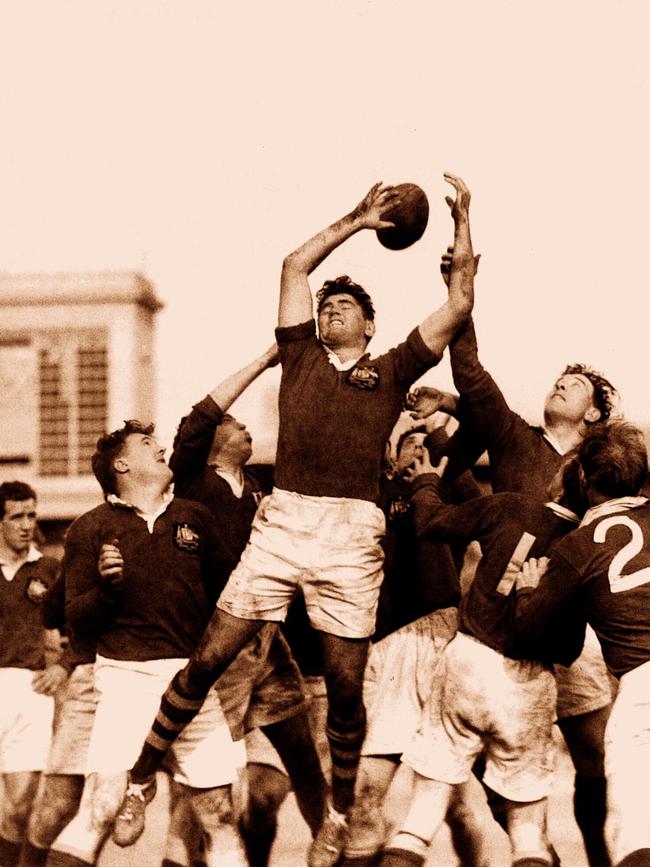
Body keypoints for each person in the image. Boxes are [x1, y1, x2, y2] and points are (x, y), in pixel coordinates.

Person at [120, 171, 478, 867]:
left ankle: (340, 814)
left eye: (346, 305)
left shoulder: (396, 367)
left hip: (352, 531)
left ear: (369, 324)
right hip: (285, 522)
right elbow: (293, 264)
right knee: (210, 658)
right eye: (328, 304)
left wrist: (463, 227)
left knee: (345, 690)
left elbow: (459, 302)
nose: (332, 310)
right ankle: (137, 779)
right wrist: (359, 217)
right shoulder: (300, 353)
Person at [407, 264, 620, 866]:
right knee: (496, 760)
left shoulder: (609, 468)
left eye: (575, 384)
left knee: (594, 759)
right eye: (560, 377)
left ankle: (600, 857)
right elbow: (472, 374)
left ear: (596, 415)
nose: (560, 383)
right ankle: (538, 850)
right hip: (501, 631)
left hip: (574, 631)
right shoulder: (513, 439)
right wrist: (460, 296)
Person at [44, 422, 246, 867]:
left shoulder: (194, 517)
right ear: (122, 464)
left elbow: (230, 595)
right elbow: (76, 619)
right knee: (100, 809)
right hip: (125, 679)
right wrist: (107, 589)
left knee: (221, 817)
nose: (160, 449)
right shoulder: (90, 529)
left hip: (192, 685)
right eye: (147, 445)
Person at [154, 346, 327, 867]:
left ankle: (337, 850)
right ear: (210, 444)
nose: (246, 428)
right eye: (235, 424)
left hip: (268, 641)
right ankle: (178, 858)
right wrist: (265, 361)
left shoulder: (261, 490)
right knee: (202, 787)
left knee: (302, 758)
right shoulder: (191, 481)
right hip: (219, 641)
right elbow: (199, 416)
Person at [379, 446, 589, 867]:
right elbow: (569, 649)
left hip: (468, 661)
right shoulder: (588, 548)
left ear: (564, 479)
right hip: (529, 684)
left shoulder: (512, 506)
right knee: (528, 835)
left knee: (419, 820)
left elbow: (432, 522)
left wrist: (424, 482)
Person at [340, 424, 500, 867]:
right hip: (382, 647)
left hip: (438, 636)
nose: (421, 448)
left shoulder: (443, 487)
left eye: (429, 444)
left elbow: (483, 514)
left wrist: (442, 448)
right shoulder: (367, 489)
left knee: (460, 804)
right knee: (367, 790)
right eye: (411, 441)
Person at [512, 421, 650, 867]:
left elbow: (532, 631)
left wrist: (528, 592)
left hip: (643, 686)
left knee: (636, 835)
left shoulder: (576, 546)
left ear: (586, 480)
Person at [0, 482, 64, 867]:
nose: (26, 524)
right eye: (16, 517)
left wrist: (61, 666)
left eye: (31, 515)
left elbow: (80, 628)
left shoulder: (50, 569)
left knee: (21, 808)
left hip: (28, 690)